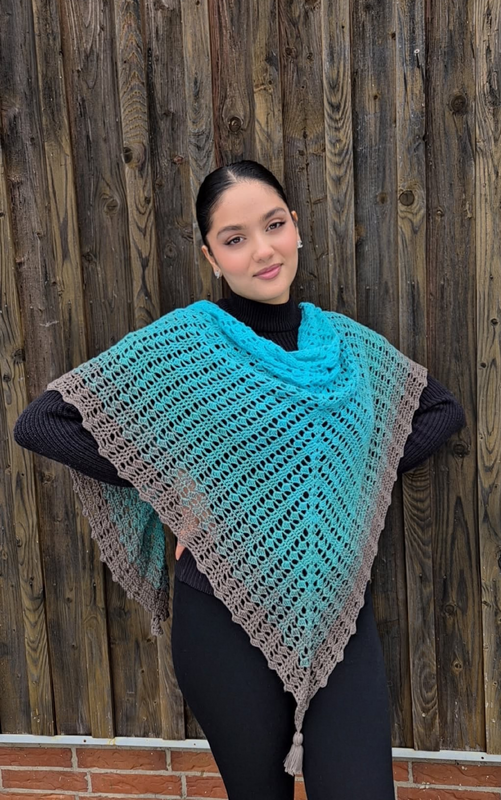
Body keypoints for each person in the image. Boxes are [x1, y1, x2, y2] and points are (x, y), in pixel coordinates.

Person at [14, 160, 466, 800]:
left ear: (297, 227)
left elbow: (440, 410)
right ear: (210, 255)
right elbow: (43, 422)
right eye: (235, 238)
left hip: (338, 616)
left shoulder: (346, 345)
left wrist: (359, 480)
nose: (262, 250)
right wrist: (175, 485)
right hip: (221, 618)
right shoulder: (184, 345)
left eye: (274, 225)